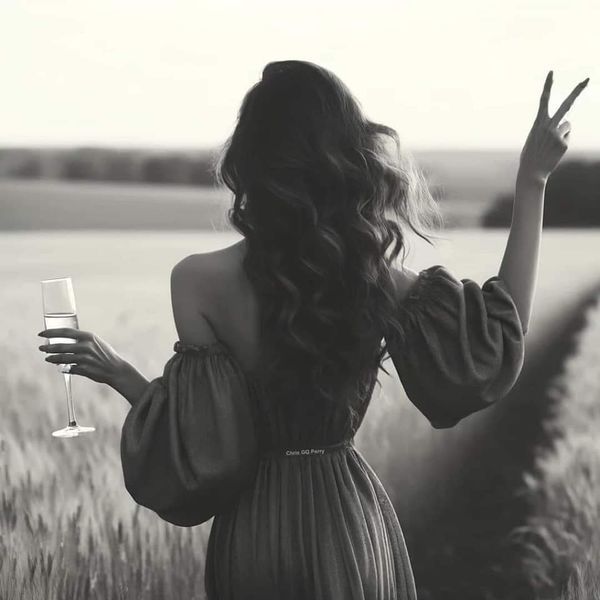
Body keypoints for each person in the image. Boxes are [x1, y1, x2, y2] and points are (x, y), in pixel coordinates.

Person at [38, 62, 589, 599]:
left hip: (253, 538)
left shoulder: (196, 281)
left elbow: (209, 453)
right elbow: (499, 337)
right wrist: (533, 182)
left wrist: (124, 377)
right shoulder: (373, 278)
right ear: (346, 159)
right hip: (349, 527)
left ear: (249, 158)